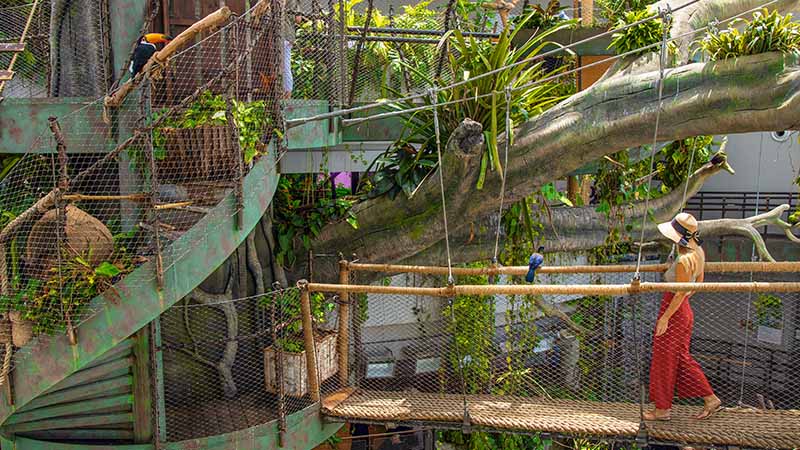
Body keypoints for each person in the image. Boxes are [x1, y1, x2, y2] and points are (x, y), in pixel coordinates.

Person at [645, 212, 722, 421]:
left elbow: (679, 292)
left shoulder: (683, 261)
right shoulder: (698, 252)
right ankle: (709, 397)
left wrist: (665, 318)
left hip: (673, 309)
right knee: (679, 358)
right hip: (684, 309)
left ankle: (662, 409)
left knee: (664, 359)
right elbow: (697, 283)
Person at [282, 0, 302, 99]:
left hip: (279, 34)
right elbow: (298, 19)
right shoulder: (295, 2)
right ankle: (287, 95)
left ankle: (285, 94)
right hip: (287, 35)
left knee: (283, 66)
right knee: (286, 66)